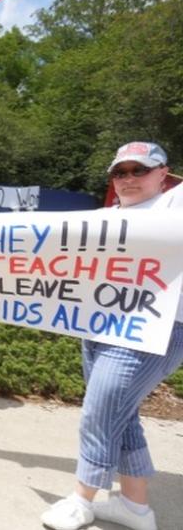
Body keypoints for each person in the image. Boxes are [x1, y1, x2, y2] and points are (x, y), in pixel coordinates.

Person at [41, 142, 183, 530]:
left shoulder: (175, 208)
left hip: (155, 331)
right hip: (100, 327)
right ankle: (136, 508)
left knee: (100, 411)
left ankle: (82, 499)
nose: (130, 178)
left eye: (140, 170)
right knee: (121, 414)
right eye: (121, 172)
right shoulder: (105, 217)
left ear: (163, 173)